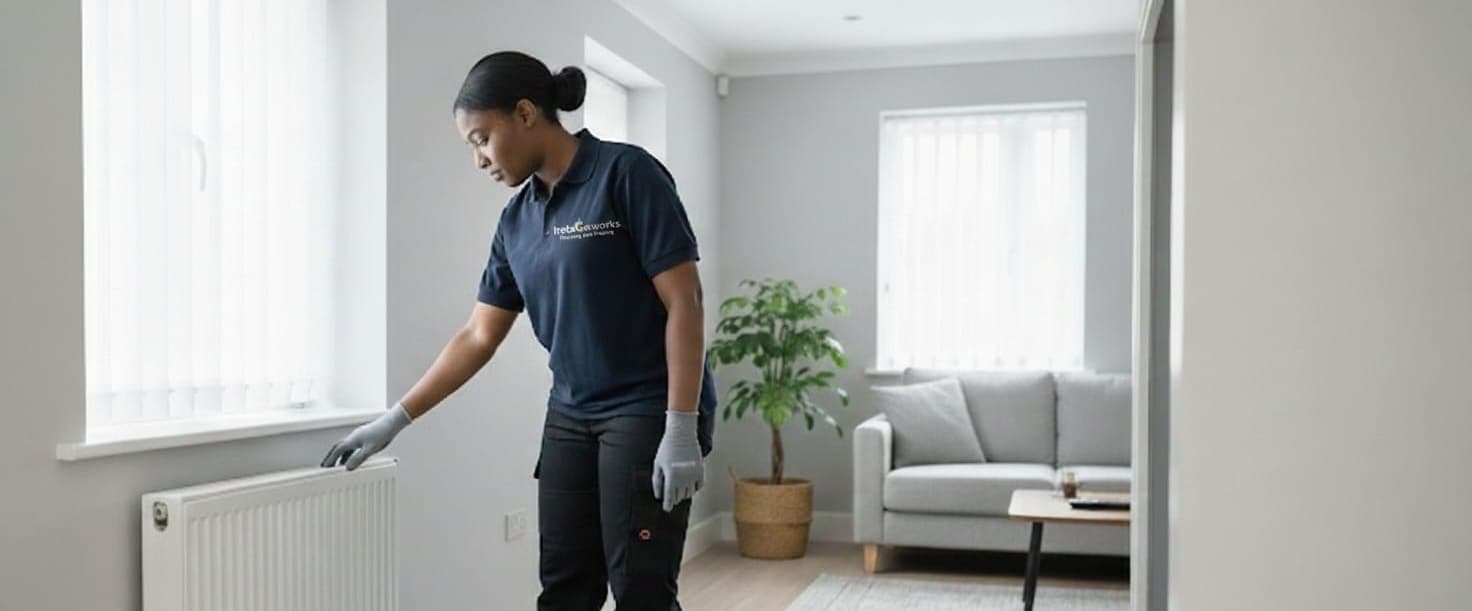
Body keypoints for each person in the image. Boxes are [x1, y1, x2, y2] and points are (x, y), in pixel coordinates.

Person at [319, 50, 716, 611]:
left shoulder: (626, 174)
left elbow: (686, 301)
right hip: (571, 414)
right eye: (470, 147)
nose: (478, 158)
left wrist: (680, 427)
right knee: (563, 591)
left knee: (642, 593)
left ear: (526, 113)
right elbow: (479, 336)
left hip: (647, 407)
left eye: (482, 138)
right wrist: (396, 417)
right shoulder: (516, 219)